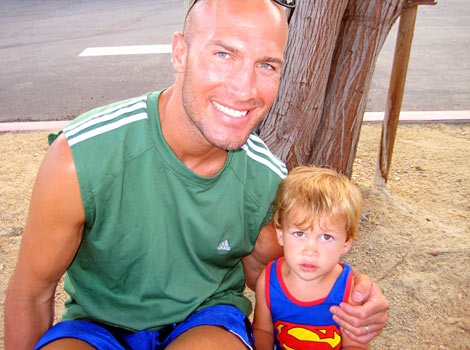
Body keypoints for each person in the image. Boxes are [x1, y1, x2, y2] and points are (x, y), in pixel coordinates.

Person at [4, 1, 388, 349]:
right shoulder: (82, 156)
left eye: (267, 65)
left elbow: (279, 280)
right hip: (95, 327)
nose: (244, 88)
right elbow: (32, 293)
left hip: (207, 320)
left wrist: (356, 297)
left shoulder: (265, 179)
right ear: (180, 53)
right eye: (223, 54)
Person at [253, 166, 369, 350]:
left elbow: (356, 345)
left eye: (326, 237)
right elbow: (262, 330)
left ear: (346, 242)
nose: (310, 250)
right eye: (299, 233)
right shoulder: (268, 281)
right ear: (281, 234)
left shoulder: (350, 291)